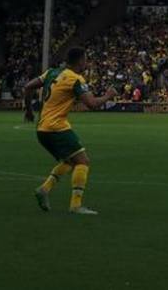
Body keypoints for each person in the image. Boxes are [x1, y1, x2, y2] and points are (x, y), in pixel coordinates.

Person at [22, 47, 114, 215]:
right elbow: (92, 104)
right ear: (80, 61)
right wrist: (108, 96)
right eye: (85, 60)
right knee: (83, 161)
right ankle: (75, 205)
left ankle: (44, 189)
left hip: (42, 129)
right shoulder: (75, 79)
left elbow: (28, 87)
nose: (86, 63)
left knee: (69, 161)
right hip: (56, 128)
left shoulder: (52, 73)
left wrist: (28, 111)